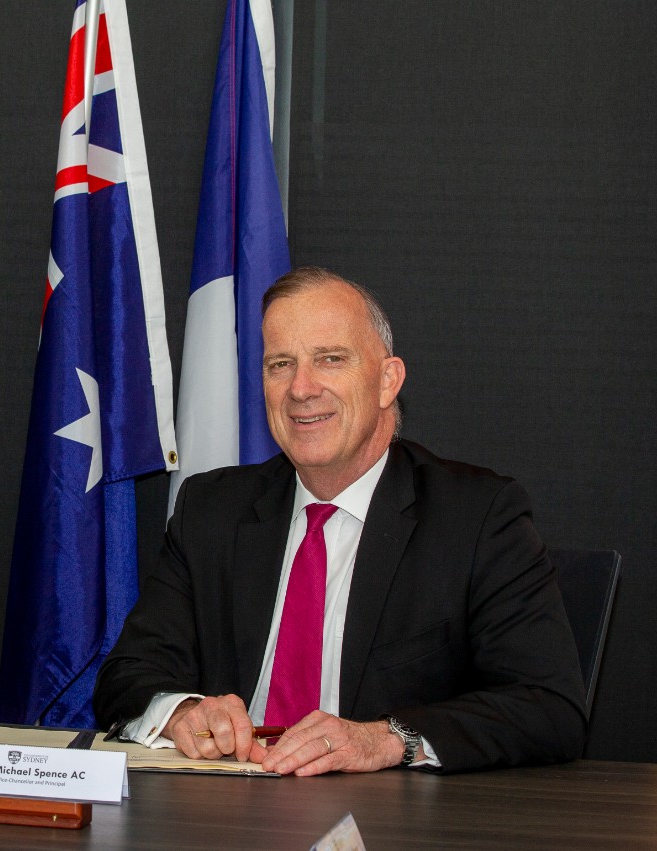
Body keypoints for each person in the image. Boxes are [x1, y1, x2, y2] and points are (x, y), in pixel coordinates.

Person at [94, 266, 585, 775]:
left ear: (387, 381)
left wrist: (387, 739)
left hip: (384, 811)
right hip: (227, 801)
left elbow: (549, 706)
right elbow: (127, 675)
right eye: (280, 364)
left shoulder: (476, 516)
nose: (301, 388)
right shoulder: (212, 509)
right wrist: (183, 713)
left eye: (330, 359)